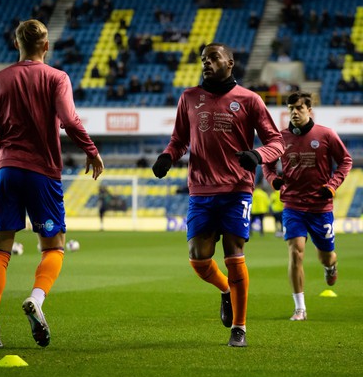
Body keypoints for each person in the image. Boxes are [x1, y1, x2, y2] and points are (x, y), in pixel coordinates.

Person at [0, 19, 104, 349]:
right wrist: (91, 150)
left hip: (6, 172)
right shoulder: (57, 78)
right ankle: (36, 300)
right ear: (46, 46)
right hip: (42, 172)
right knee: (54, 246)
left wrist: (3, 145)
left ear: (17, 44)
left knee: (0, 248)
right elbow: (71, 120)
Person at [151, 42, 285, 347]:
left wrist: (259, 155)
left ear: (230, 62)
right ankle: (226, 290)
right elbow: (179, 139)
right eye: (203, 59)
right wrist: (168, 156)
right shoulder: (188, 98)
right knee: (198, 258)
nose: (206, 63)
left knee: (234, 255)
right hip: (200, 188)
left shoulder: (249, 100)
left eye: (213, 58)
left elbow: (276, 141)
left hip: (237, 189)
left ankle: (239, 327)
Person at [262, 91, 352, 321]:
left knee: (326, 256)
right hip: (292, 205)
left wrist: (332, 185)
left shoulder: (326, 135)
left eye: (299, 108)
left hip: (320, 207)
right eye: (291, 108)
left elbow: (345, 161)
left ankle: (331, 267)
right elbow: (267, 166)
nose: (294, 112)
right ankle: (300, 308)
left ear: (309, 110)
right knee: (296, 253)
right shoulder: (280, 138)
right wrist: (274, 180)